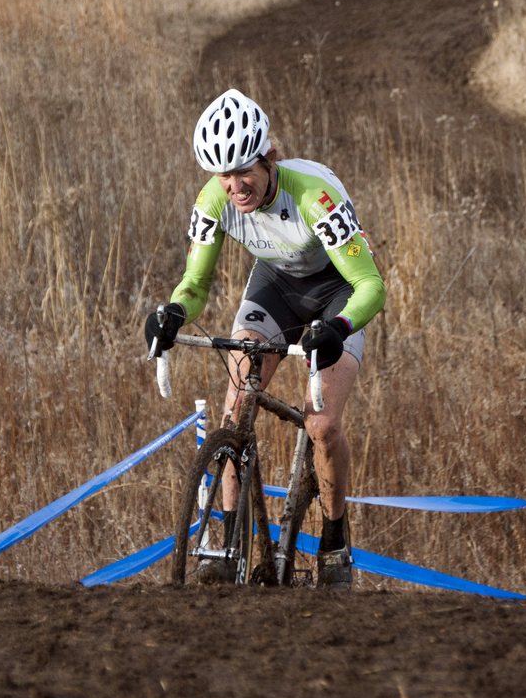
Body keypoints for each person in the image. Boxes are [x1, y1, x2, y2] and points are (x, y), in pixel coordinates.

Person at [144, 89, 386, 589]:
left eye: (243, 171)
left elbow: (371, 285)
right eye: (223, 174)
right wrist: (172, 313)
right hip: (275, 288)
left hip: (338, 291)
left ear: (268, 158)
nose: (235, 186)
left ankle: (335, 536)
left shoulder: (314, 196)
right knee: (235, 410)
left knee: (320, 425)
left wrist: (338, 329)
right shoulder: (214, 200)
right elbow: (194, 284)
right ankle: (227, 544)